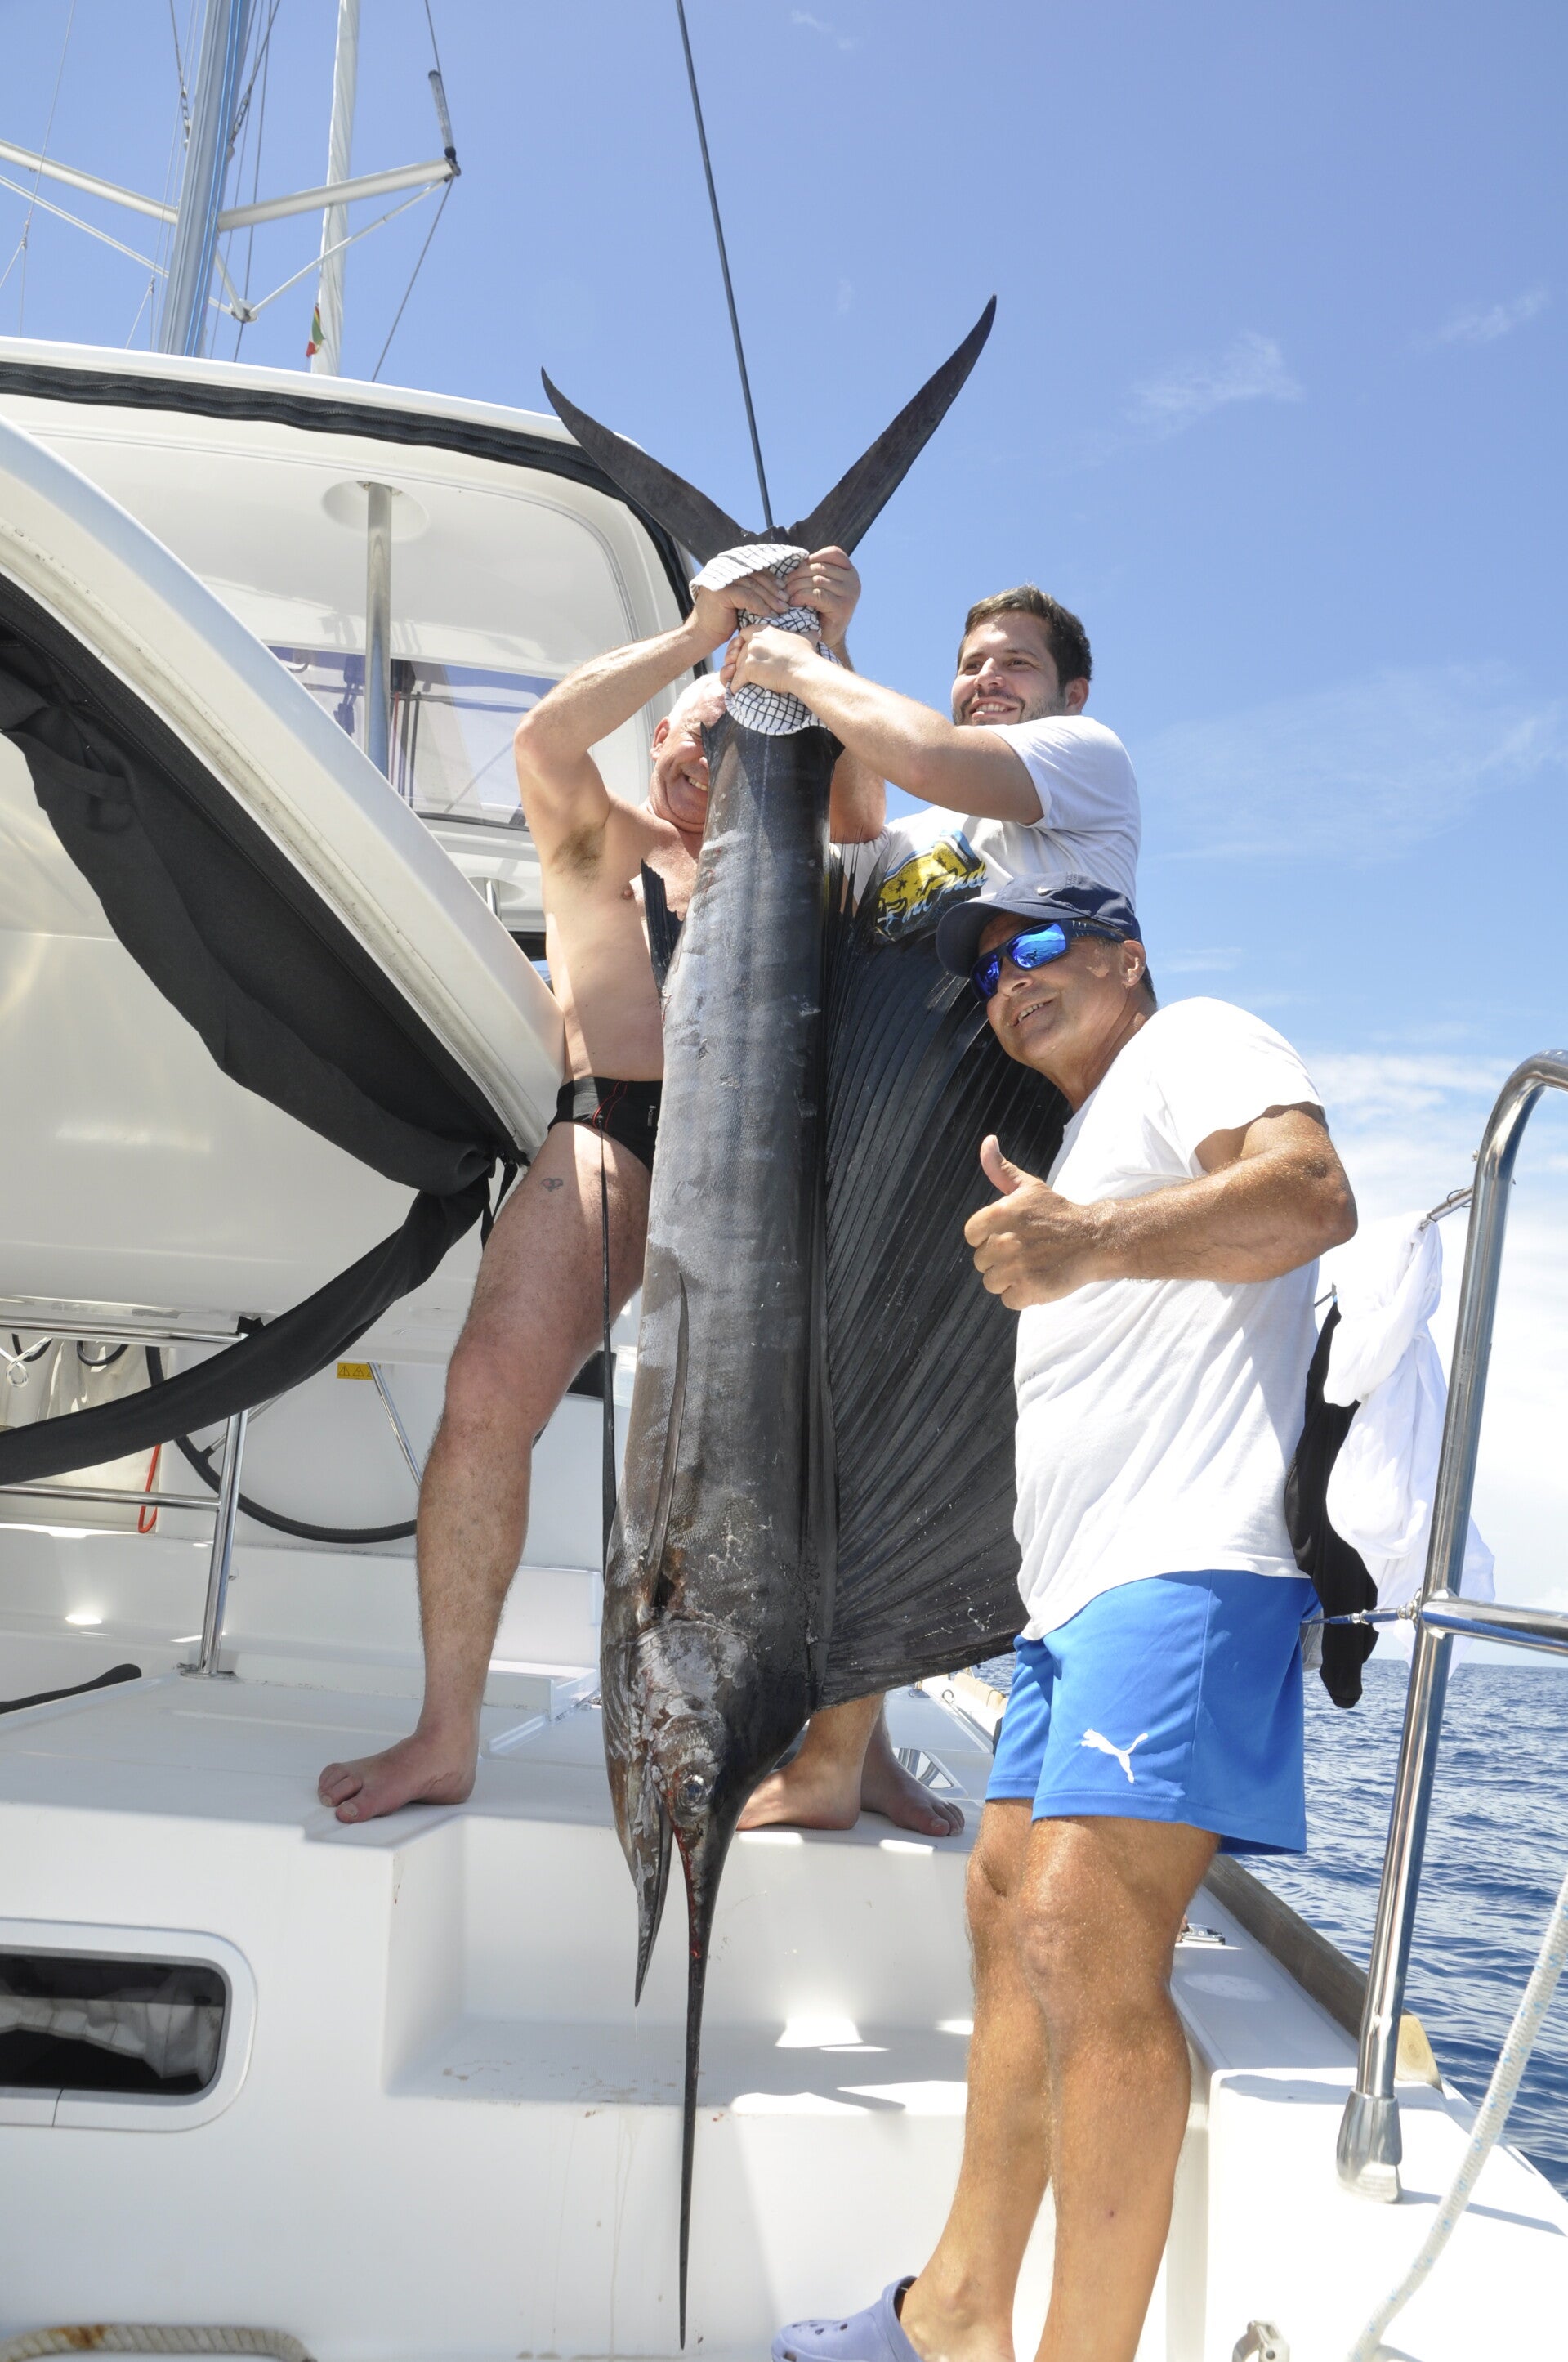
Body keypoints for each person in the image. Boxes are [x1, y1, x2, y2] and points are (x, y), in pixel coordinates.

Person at [771, 877, 1356, 2362]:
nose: (1010, 978)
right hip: (1075, 1602)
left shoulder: (1197, 1040)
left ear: (1126, 954)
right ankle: (956, 2314)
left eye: (1037, 943)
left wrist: (1088, 1242)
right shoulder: (1079, 1144)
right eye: (988, 971)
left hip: (1190, 1570)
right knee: (1006, 1903)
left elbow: (1310, 1192)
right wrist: (1080, 1227)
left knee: (1084, 1925)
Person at [318, 548, 899, 1825]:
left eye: (731, 736)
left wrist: (829, 646)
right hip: (619, 1136)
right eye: (688, 731)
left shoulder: (791, 855)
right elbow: (543, 736)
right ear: (656, 743)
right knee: (486, 1389)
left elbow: (864, 819)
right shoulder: (599, 839)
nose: (704, 755)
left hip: (770, 1153)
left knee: (850, 1440)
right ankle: (446, 1732)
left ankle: (862, 1743)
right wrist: (697, 633)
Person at [733, 586, 1140, 1837]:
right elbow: (862, 809)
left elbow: (915, 750)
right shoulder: (929, 830)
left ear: (1069, 693)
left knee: (916, 1425)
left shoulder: (1085, 763)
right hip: (890, 1156)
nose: (986, 677)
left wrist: (793, 662)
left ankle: (831, 1756)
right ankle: (861, 1745)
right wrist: (833, 635)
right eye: (970, 663)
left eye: (1015, 662)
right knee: (866, 1422)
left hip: (1003, 1146)